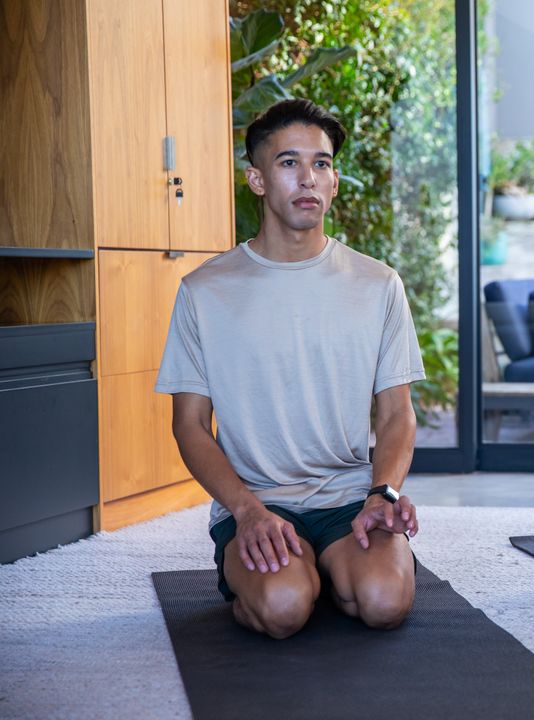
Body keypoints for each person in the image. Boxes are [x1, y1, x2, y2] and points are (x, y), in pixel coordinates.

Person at [156, 99, 426, 638]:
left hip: (350, 499)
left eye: (321, 163)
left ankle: (329, 570)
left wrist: (383, 493)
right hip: (255, 500)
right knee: (282, 609)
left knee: (385, 603)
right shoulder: (205, 291)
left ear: (335, 181)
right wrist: (245, 511)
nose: (308, 178)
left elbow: (397, 414)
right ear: (256, 179)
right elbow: (189, 426)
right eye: (288, 163)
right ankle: (297, 576)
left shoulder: (377, 284)